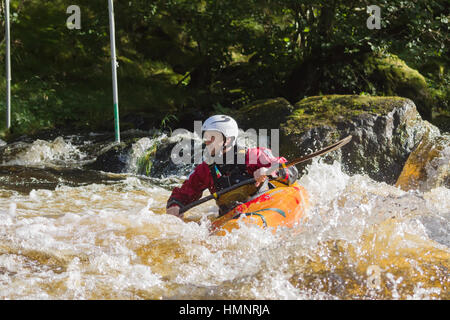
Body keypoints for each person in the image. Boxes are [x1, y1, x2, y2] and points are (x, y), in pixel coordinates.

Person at [166, 115, 298, 218]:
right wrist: (175, 205)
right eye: (205, 137)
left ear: (228, 139)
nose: (206, 141)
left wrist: (269, 171)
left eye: (212, 137)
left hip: (263, 207)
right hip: (231, 216)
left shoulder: (253, 156)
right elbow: (184, 193)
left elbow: (291, 171)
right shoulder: (206, 169)